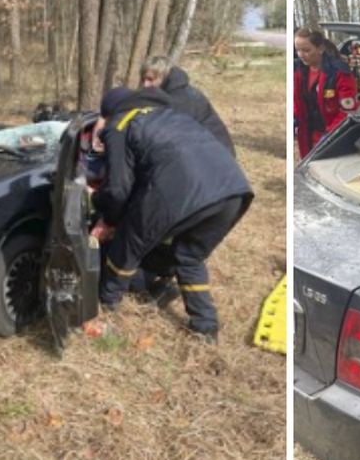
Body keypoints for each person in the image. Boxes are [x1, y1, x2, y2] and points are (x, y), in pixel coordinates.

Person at [91, 86, 253, 343]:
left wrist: (106, 217)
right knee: (189, 257)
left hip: (179, 190)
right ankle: (206, 328)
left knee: (128, 241)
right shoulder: (172, 114)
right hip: (233, 189)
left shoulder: (120, 124)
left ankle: (108, 304)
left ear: (110, 113)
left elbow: (119, 190)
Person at [140, 56, 235, 157]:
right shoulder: (170, 93)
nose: (145, 85)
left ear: (163, 76)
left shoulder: (179, 99)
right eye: (143, 79)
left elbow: (174, 138)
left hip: (216, 155)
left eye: (150, 80)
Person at [293, 26, 357, 159]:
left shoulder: (338, 73)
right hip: (307, 135)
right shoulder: (297, 71)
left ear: (320, 49)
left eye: (306, 50)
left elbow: (347, 111)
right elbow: (296, 101)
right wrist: (294, 117)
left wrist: (329, 135)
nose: (301, 54)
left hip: (334, 138)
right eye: (297, 50)